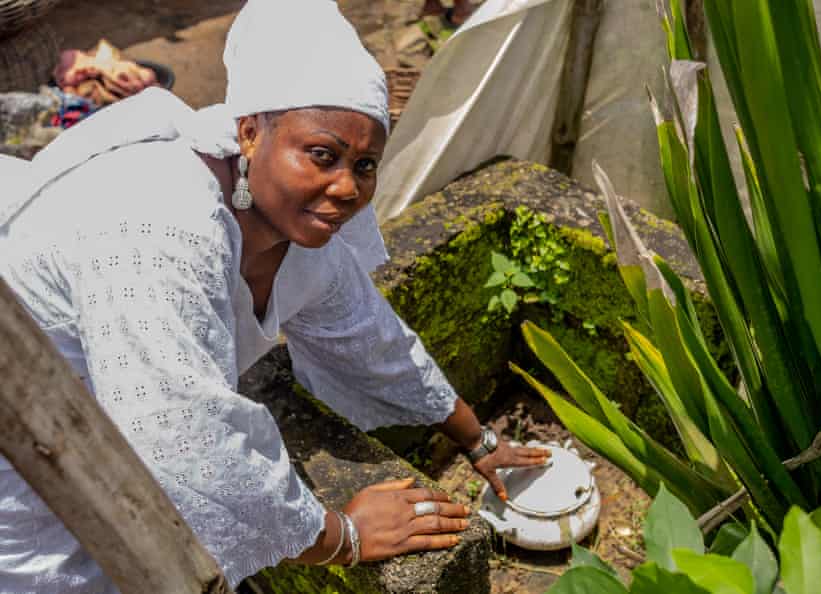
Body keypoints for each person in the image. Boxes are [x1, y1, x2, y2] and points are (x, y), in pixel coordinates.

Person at [0, 0, 550, 592]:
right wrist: (344, 535)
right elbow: (184, 434)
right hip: (29, 465)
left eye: (364, 164)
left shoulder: (300, 232)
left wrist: (478, 439)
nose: (346, 187)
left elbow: (369, 339)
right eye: (322, 154)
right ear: (249, 131)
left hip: (95, 446)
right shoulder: (159, 226)